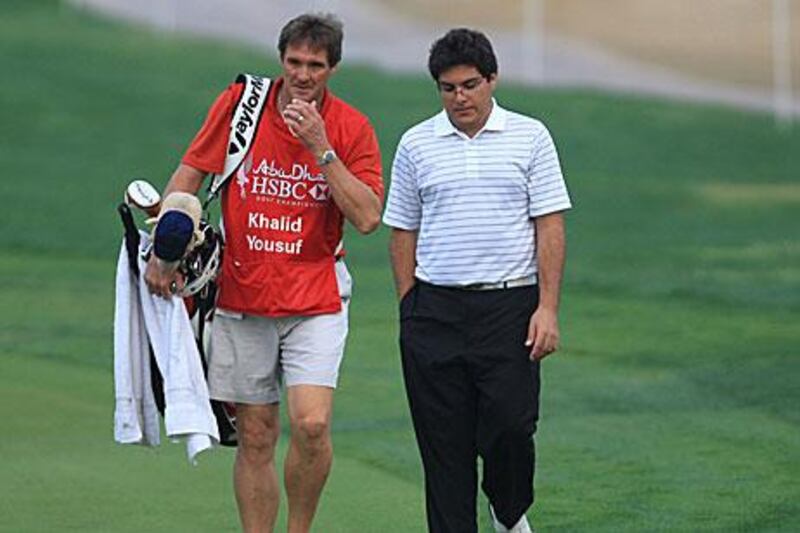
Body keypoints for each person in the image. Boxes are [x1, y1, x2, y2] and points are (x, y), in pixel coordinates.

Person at [144, 13, 383, 533]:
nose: (302, 74)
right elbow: (191, 173)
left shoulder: (351, 127)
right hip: (240, 293)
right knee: (255, 433)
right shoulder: (240, 106)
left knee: (312, 424)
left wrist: (321, 146)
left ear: (333, 68)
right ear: (281, 59)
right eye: (294, 62)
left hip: (316, 294)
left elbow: (366, 217)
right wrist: (164, 245)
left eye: (315, 66)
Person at [383, 28, 571, 533]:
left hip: (510, 309)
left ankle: (508, 511)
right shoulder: (416, 143)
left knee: (512, 428)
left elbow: (549, 224)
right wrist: (410, 307)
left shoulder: (530, 136)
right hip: (434, 313)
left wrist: (547, 307)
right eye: (448, 88)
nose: (459, 97)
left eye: (469, 85)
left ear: (492, 80)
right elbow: (402, 229)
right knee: (445, 450)